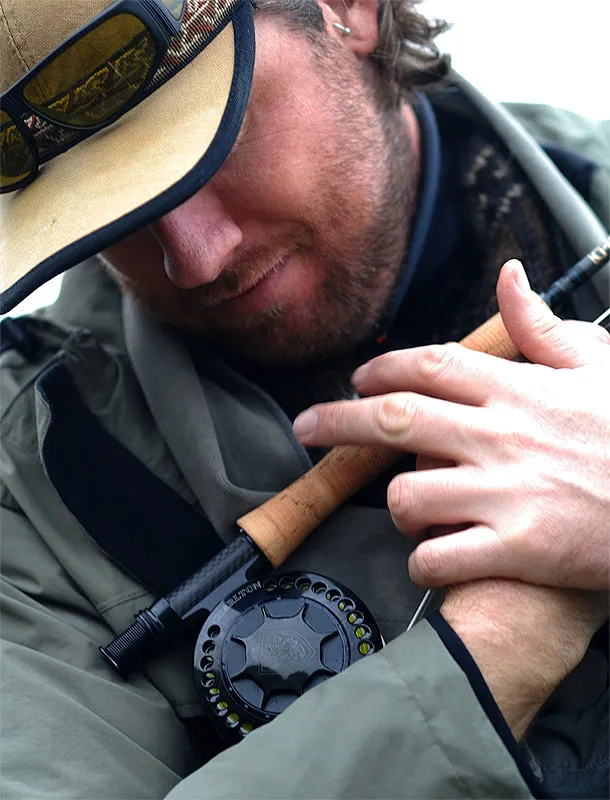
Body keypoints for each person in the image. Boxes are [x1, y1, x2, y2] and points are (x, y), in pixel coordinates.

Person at [0, 0, 608, 797]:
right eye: (107, 210)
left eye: (213, 142)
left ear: (349, 12)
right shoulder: (24, 494)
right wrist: (504, 640)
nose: (196, 259)